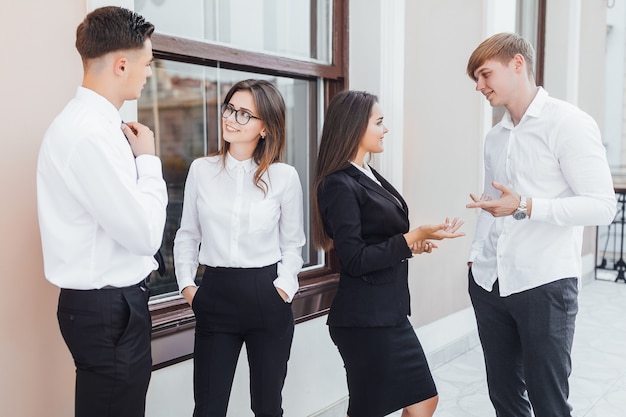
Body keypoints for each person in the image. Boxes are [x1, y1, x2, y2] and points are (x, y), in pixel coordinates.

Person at [465, 33, 617, 417]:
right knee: (504, 398)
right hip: (489, 283)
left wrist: (528, 206)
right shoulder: (495, 137)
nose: (480, 87)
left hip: (545, 284)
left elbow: (602, 206)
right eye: (476, 80)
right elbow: (491, 204)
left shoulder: (569, 123)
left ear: (518, 64)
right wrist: (474, 259)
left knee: (549, 402)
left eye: (485, 75)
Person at [36, 6, 167, 417]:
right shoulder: (88, 134)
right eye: (146, 64)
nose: (149, 74)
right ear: (122, 64)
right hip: (108, 311)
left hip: (110, 309)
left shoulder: (99, 126)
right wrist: (148, 161)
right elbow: (145, 233)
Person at [311, 90, 465, 417]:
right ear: (354, 127)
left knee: (423, 401)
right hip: (365, 320)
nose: (385, 129)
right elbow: (354, 259)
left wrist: (414, 243)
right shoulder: (339, 183)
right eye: (379, 122)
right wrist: (412, 237)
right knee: (380, 408)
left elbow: (377, 240)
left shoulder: (366, 172)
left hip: (386, 313)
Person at [174, 79, 305, 417]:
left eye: (245, 114)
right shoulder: (201, 171)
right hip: (215, 294)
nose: (231, 118)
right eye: (230, 109)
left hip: (267, 296)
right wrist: (189, 287)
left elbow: (293, 244)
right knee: (208, 408)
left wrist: (284, 288)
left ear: (265, 128)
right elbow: (187, 234)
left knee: (266, 407)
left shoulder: (284, 177)